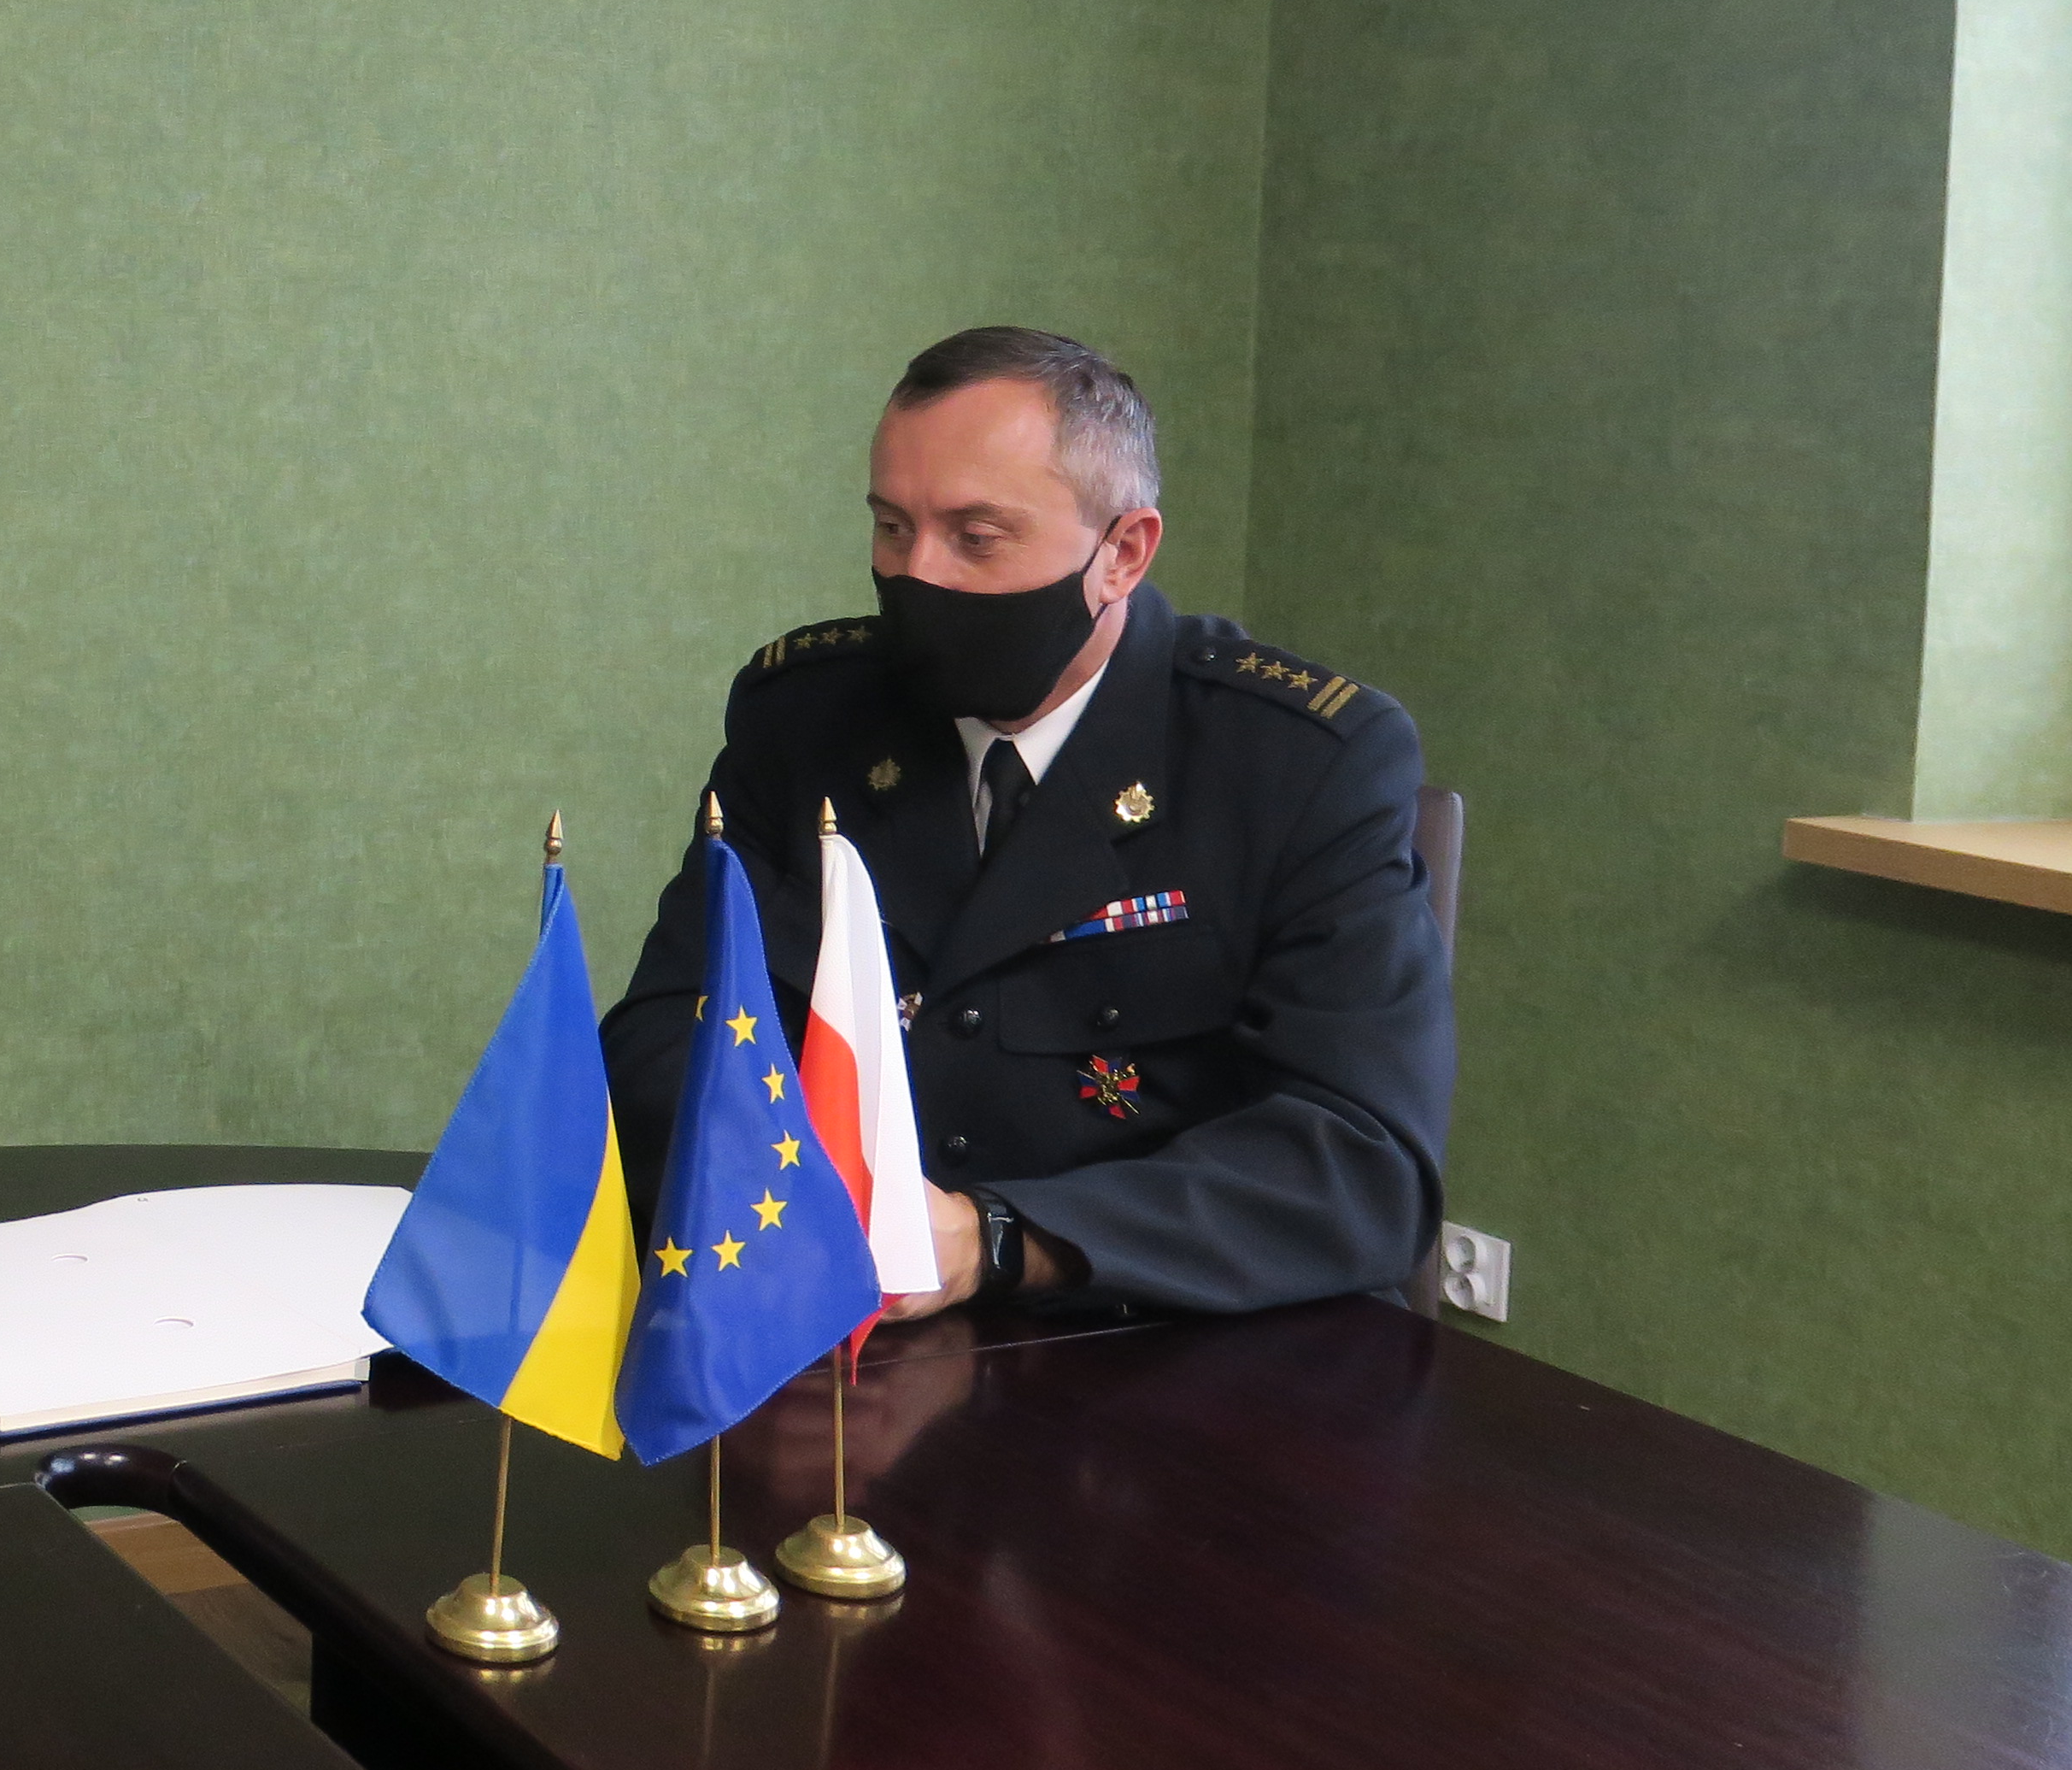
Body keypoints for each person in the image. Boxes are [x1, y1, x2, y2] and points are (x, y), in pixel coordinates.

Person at [608, 327, 1450, 1316]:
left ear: (1122, 553)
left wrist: (999, 1239)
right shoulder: (806, 719)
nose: (919, 575)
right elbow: (664, 1036)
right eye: (892, 528)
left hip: (1167, 1337)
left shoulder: (1297, 763)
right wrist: (792, 1191)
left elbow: (1362, 1164)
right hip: (849, 1313)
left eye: (976, 537)